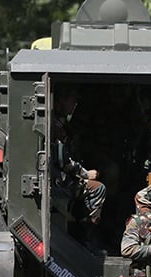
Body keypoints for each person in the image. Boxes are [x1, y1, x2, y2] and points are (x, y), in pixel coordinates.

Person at [51, 87, 107, 249]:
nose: (74, 103)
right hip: (59, 181)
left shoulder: (61, 122)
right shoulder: (55, 125)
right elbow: (63, 160)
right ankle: (84, 236)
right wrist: (86, 174)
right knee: (98, 189)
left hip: (62, 177)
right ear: (60, 101)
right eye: (71, 99)